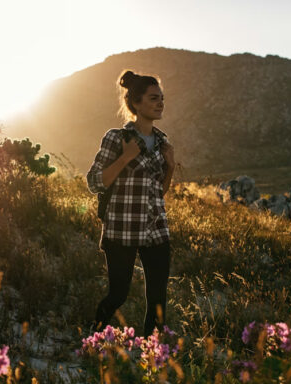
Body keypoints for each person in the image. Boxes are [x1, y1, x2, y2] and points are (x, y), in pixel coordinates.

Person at [86, 70, 176, 337]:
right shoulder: (117, 138)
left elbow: (158, 194)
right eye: (153, 98)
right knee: (118, 294)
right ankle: (93, 337)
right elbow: (94, 182)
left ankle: (153, 354)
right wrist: (125, 158)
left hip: (156, 229)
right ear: (136, 103)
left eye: (161, 98)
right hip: (121, 229)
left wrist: (170, 167)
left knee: (158, 298)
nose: (160, 103)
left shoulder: (163, 143)